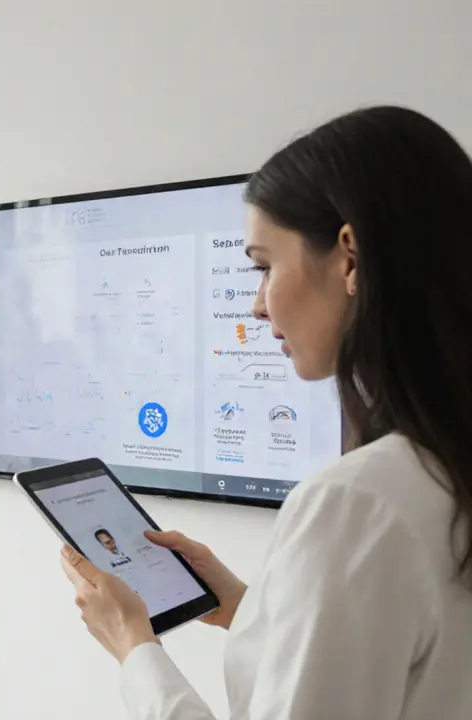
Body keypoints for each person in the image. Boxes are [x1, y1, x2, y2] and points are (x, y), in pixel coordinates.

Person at [59, 106, 472, 719]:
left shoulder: (357, 502)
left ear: (350, 258)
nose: (255, 306)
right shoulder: (441, 470)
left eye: (264, 266)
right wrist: (249, 605)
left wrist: (134, 646)